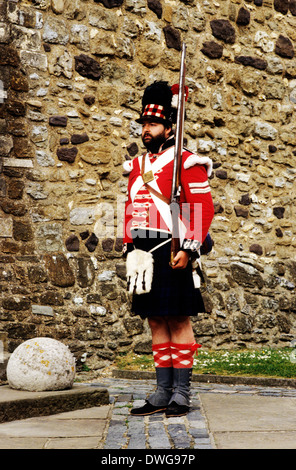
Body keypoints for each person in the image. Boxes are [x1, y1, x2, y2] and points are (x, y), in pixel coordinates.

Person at [122, 81, 214, 417]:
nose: (146, 131)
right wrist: (129, 245)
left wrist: (188, 250)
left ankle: (182, 393)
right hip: (142, 255)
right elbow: (131, 207)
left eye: (153, 125)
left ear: (169, 127)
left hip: (172, 249)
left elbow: (201, 208)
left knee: (177, 318)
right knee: (156, 320)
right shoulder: (137, 166)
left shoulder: (186, 162)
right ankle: (162, 392)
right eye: (144, 125)